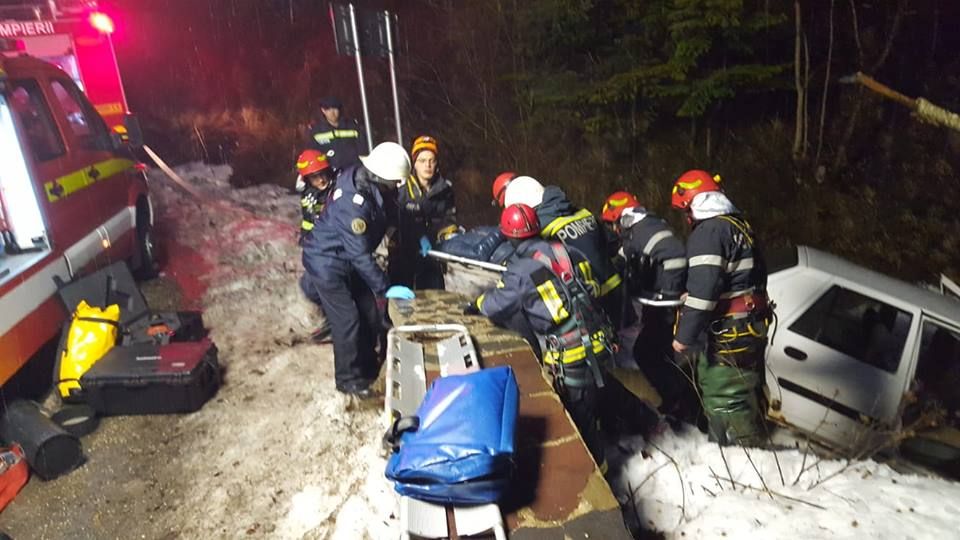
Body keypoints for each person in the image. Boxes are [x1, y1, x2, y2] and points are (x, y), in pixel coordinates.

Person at [465, 203, 614, 468]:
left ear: (508, 236)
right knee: (597, 400)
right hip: (599, 339)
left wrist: (477, 304)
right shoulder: (565, 249)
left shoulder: (520, 270)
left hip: (571, 352)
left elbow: (498, 303)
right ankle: (609, 443)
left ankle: (598, 473)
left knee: (580, 416)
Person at [300, 142, 414, 399]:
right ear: (380, 176)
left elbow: (389, 209)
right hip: (327, 263)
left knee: (370, 315)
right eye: (394, 182)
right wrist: (385, 287)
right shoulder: (352, 204)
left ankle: (367, 365)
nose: (397, 186)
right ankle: (348, 380)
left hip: (347, 259)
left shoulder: (367, 179)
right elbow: (360, 255)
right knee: (348, 320)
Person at [669, 170, 771, 446]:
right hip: (750, 324)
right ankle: (745, 455)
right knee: (739, 389)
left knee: (723, 393)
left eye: (686, 210)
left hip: (731, 329)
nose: (686, 217)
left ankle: (735, 462)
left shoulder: (709, 231)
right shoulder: (739, 226)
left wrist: (683, 338)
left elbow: (704, 293)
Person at [600, 191, 691, 418]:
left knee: (647, 352)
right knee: (657, 354)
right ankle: (678, 402)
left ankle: (679, 402)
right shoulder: (637, 232)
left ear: (622, 217)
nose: (613, 230)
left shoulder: (645, 230)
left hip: (664, 307)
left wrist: (668, 292)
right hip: (656, 305)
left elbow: (676, 256)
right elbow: (625, 259)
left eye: (613, 223)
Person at [503, 176, 625, 329]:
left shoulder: (543, 232)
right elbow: (613, 244)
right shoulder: (584, 213)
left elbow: (529, 269)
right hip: (619, 294)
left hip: (592, 305)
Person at [392, 135, 458, 289]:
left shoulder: (445, 190)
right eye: (422, 160)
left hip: (432, 254)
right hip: (404, 256)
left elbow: (449, 218)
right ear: (414, 164)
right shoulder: (401, 192)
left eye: (432, 160)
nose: (427, 165)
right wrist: (418, 237)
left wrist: (449, 236)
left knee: (433, 298)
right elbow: (398, 223)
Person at [308, 96, 368, 172]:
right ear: (323, 110)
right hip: (330, 174)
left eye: (335, 108)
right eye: (328, 109)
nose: (332, 112)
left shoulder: (353, 128)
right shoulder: (316, 132)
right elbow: (313, 156)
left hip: (354, 172)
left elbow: (363, 152)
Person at [295, 149, 336, 240]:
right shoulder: (308, 195)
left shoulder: (339, 186)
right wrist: (306, 237)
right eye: (314, 177)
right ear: (306, 179)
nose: (321, 180)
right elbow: (308, 221)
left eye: (323, 174)